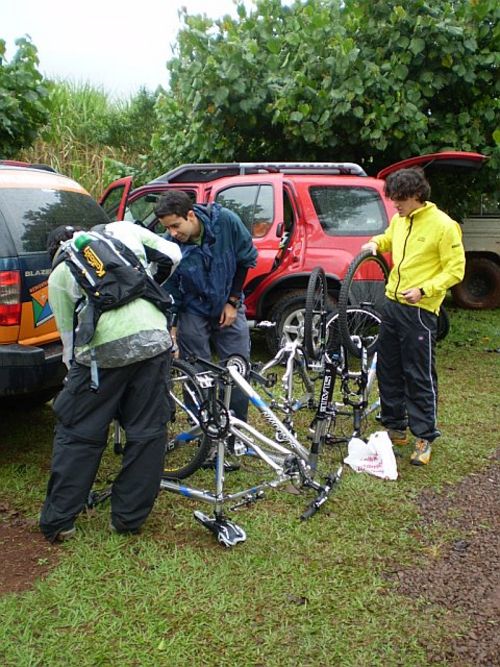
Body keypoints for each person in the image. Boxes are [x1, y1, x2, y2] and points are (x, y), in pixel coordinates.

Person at [39, 221, 181, 542]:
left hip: (102, 356)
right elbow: (172, 254)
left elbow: (69, 343)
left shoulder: (60, 274)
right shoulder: (122, 233)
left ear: (55, 253)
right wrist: (146, 285)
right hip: (155, 339)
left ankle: (59, 522)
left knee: (78, 433)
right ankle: (127, 520)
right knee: (148, 432)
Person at [362, 167, 465, 466]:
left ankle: (424, 437)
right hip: (392, 305)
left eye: (400, 199)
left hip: (420, 310)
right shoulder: (400, 220)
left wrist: (424, 289)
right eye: (393, 198)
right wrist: (375, 243)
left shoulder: (444, 226)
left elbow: (456, 270)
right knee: (389, 368)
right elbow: (389, 237)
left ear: (417, 195)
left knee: (418, 374)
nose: (395, 204)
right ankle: (395, 427)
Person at [154, 191, 258, 425]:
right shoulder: (170, 244)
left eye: (175, 225)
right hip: (192, 308)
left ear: (190, 215)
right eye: (167, 228)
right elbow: (171, 286)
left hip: (227, 303)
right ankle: (201, 425)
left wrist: (232, 302)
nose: (172, 233)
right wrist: (172, 325)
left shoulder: (226, 221)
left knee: (236, 365)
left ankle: (235, 425)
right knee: (195, 369)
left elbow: (245, 259)